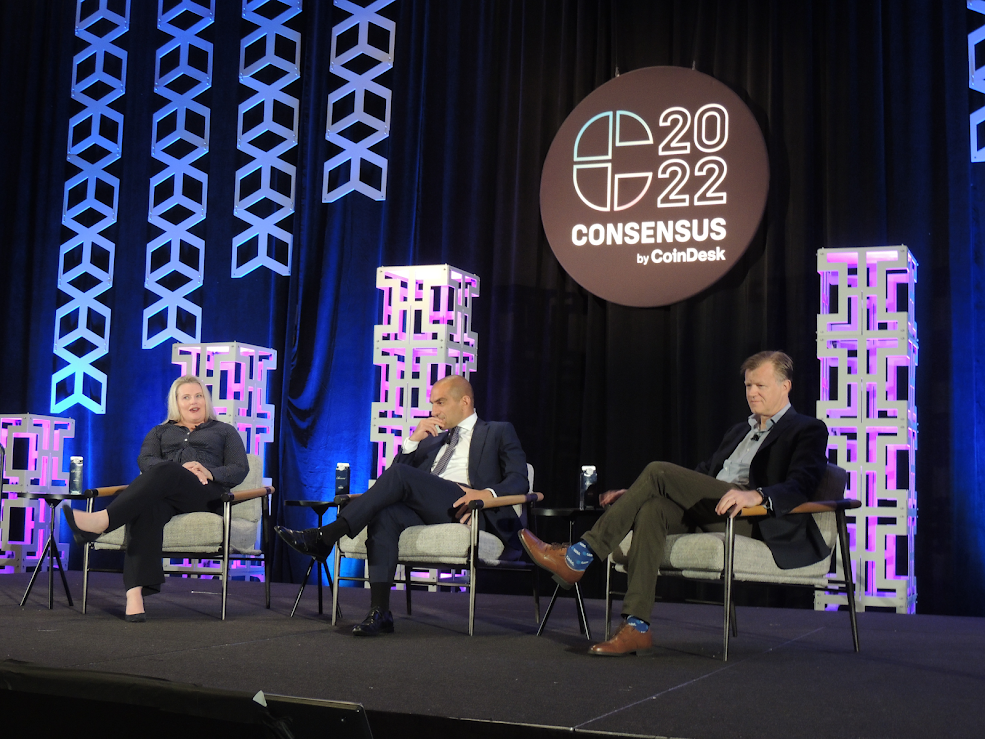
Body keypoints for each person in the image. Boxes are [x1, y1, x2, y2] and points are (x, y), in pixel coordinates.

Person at [520, 351, 829, 656]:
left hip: (752, 516)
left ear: (785, 386)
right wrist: (639, 493)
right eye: (748, 385)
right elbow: (704, 474)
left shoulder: (807, 429)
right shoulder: (740, 430)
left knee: (658, 471)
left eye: (760, 385)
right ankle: (637, 627)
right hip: (714, 505)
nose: (752, 392)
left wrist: (757, 494)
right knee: (651, 508)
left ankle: (579, 556)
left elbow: (802, 483)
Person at [275, 374, 529, 636]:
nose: (434, 411)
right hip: (429, 507)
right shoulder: (433, 440)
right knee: (384, 515)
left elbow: (519, 479)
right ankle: (380, 612)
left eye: (440, 402)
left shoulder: (497, 431)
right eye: (432, 403)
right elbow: (392, 484)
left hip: (468, 508)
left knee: (399, 476)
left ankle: (326, 535)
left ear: (464, 401)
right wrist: (413, 441)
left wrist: (484, 494)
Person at [62, 375, 249, 622]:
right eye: (186, 397)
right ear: (176, 403)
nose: (193, 402)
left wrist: (208, 472)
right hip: (167, 496)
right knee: (147, 508)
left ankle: (104, 520)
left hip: (205, 494)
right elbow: (145, 461)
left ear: (206, 400)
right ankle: (134, 595)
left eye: (198, 396)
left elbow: (239, 468)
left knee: (168, 469)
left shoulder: (224, 431)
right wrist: (178, 470)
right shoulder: (160, 431)